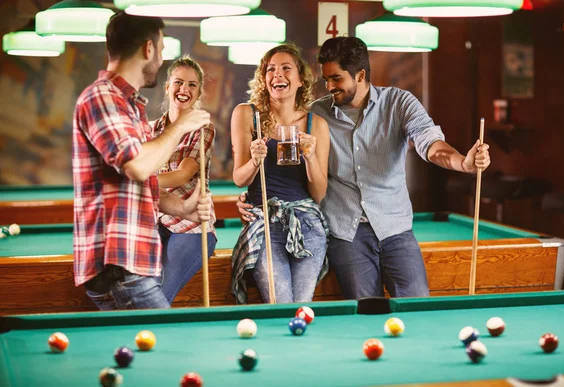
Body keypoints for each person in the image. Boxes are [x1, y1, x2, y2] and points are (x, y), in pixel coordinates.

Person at [238, 36, 491, 300]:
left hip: (395, 229)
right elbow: (294, 177)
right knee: (367, 309)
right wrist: (252, 197)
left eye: (336, 79)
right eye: (326, 79)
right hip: (346, 234)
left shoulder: (398, 103)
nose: (329, 86)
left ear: (360, 75)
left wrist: (463, 162)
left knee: (417, 303)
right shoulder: (316, 115)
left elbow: (431, 143)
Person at [72, 12, 212, 310]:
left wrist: (184, 209)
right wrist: (180, 127)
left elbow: (139, 184)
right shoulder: (102, 97)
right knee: (165, 347)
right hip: (120, 266)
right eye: (161, 50)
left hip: (129, 264)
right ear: (148, 49)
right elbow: (136, 166)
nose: (160, 60)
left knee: (144, 353)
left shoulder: (130, 106)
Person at [230, 44, 330, 304]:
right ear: (264, 80)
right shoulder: (246, 114)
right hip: (265, 221)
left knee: (302, 304)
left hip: (307, 223)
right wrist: (254, 160)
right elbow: (240, 179)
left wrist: (309, 157)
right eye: (271, 69)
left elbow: (319, 194)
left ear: (300, 80)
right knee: (281, 303)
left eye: (286, 68)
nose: (277, 75)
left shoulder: (316, 124)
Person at [152, 56, 217, 305]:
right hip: (155, 222)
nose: (184, 90)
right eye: (178, 83)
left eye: (192, 85)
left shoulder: (203, 128)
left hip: (193, 226)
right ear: (167, 86)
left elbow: (183, 174)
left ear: (199, 91)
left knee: (159, 294)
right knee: (137, 287)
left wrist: (139, 180)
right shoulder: (150, 130)